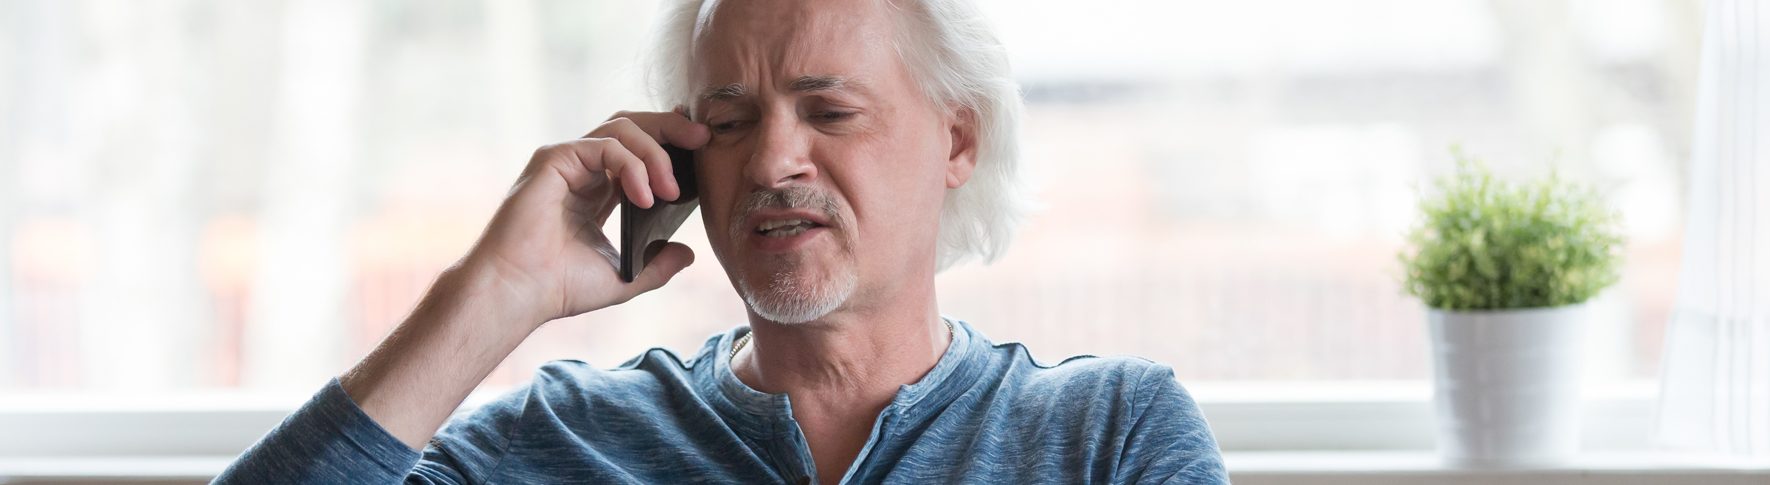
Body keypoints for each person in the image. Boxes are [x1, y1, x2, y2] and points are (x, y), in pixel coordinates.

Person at [214, 0, 1227, 482]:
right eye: (730, 121)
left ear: (956, 138)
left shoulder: (1107, 432)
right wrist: (495, 291)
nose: (774, 159)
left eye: (828, 111)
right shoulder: (559, 441)